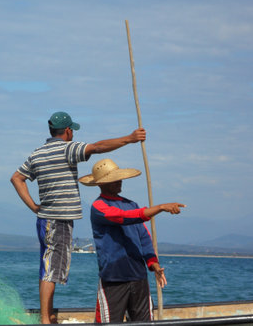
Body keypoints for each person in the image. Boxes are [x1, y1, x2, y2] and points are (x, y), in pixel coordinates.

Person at [10, 111, 146, 324]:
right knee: (50, 270)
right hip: (57, 219)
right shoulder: (67, 149)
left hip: (47, 219)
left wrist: (34, 207)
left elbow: (17, 178)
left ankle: (48, 314)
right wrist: (129, 139)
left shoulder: (37, 153)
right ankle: (46, 319)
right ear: (67, 131)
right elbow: (97, 147)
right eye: (71, 130)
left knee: (49, 267)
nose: (72, 133)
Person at [79, 158, 185, 323]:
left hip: (138, 276)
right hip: (114, 278)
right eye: (113, 179)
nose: (119, 181)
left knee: (143, 322)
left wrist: (153, 264)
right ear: (101, 184)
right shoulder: (99, 207)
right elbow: (123, 217)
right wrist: (160, 207)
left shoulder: (131, 204)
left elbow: (143, 238)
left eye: (119, 178)